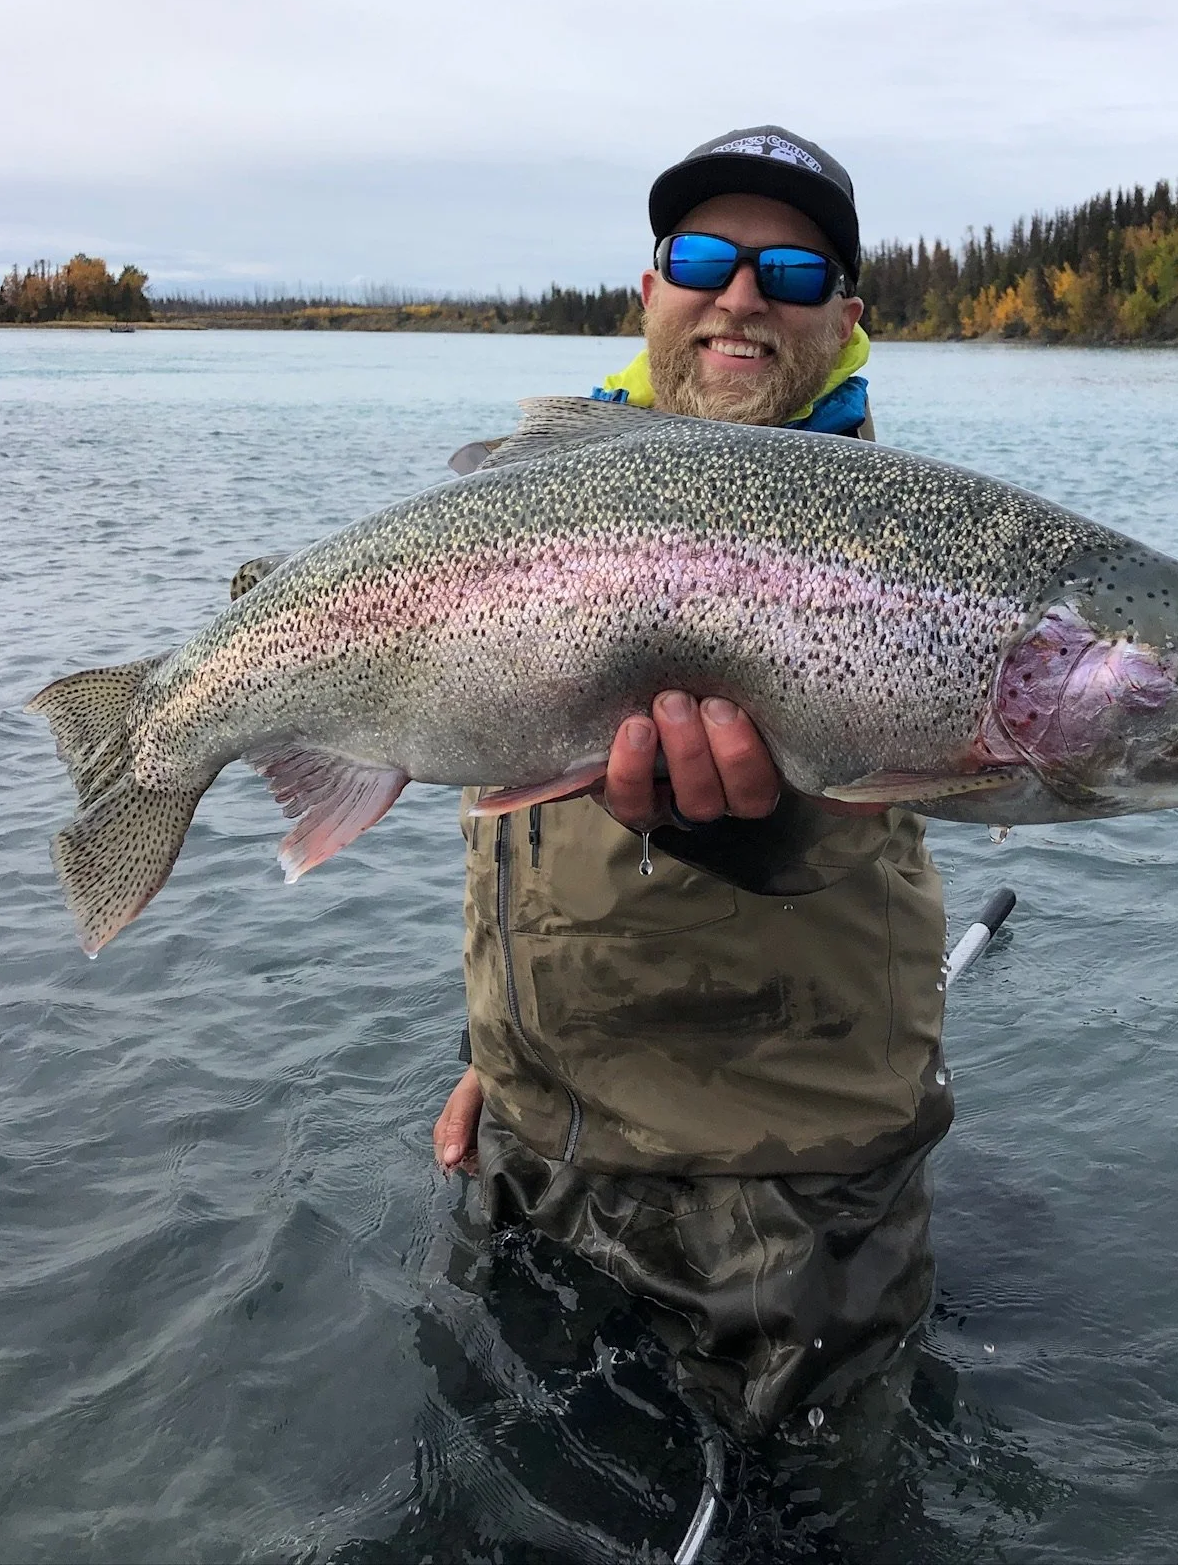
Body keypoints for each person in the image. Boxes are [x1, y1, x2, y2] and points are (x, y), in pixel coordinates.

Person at [431, 126, 950, 1434]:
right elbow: (518, 834)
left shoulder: (903, 556)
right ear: (651, 291)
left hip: (786, 1194)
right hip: (533, 1137)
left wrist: (760, 833)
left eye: (793, 271)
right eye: (707, 260)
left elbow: (869, 830)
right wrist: (500, 1047)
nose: (742, 296)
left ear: (845, 319)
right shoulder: (552, 510)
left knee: (808, 1515)